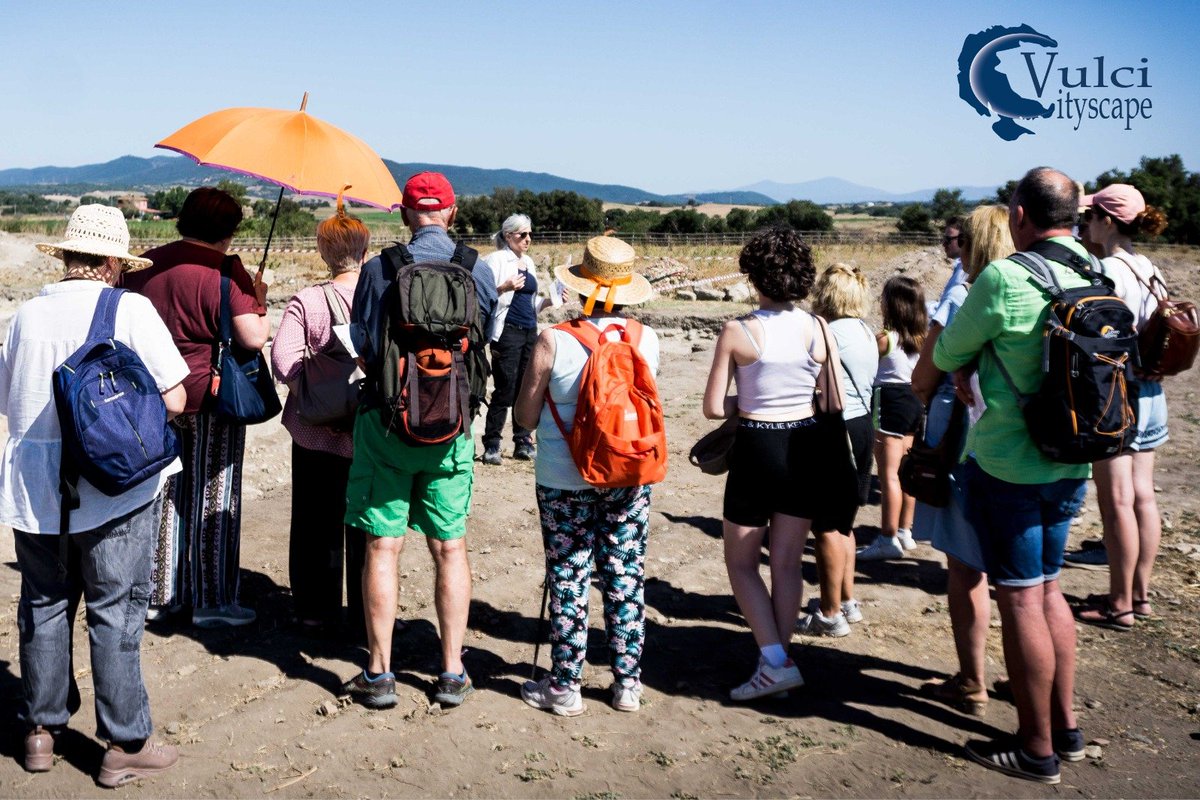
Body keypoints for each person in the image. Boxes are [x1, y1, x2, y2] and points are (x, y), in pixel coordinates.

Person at [1, 205, 186, 785]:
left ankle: (40, 731)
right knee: (115, 611)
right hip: (113, 490)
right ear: (112, 262)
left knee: (45, 605)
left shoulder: (26, 314)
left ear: (69, 257)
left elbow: (8, 400)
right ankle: (125, 741)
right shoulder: (130, 309)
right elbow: (176, 398)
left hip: (34, 488)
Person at [934, 167, 1090, 784]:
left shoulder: (1004, 276)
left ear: (1019, 214)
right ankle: (1067, 727)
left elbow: (947, 354)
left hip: (1008, 464)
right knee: (1050, 590)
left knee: (1021, 598)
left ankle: (1036, 748)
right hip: (1074, 457)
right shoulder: (1094, 270)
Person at [340, 172, 497, 709]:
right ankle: (452, 671)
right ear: (452, 213)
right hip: (452, 427)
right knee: (449, 547)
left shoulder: (381, 269)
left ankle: (379, 673)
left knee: (383, 546)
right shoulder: (478, 270)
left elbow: (363, 346)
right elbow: (483, 345)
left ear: (405, 214)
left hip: (386, 424)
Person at [703, 226, 852, 700]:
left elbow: (712, 406)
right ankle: (778, 663)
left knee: (742, 562)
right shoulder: (819, 327)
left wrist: (746, 399)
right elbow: (832, 398)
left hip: (757, 446)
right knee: (787, 564)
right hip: (806, 445)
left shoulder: (739, 331)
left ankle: (774, 661)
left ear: (754, 276)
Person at [512, 236, 659, 715]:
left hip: (563, 476)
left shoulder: (555, 338)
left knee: (569, 573)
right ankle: (627, 683)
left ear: (581, 286)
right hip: (629, 474)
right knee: (624, 573)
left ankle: (566, 685)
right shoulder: (645, 338)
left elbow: (526, 417)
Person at [126, 187, 270, 627]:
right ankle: (212, 601)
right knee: (213, 494)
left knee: (163, 493)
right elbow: (252, 338)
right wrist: (259, 299)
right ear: (229, 230)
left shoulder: (148, 263)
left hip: (154, 396)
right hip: (210, 396)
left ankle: (159, 594)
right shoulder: (228, 270)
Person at [912, 204, 1014, 716]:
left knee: (968, 569)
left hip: (968, 445)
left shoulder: (963, 296)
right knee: (1028, 581)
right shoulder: (1037, 290)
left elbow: (922, 377)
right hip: (1032, 450)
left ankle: (973, 681)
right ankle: (1030, 683)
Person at [1072, 184, 1170, 630]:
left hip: (1118, 397)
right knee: (1143, 498)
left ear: (1106, 221)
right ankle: (1141, 595)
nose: (1086, 224)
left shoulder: (1107, 269)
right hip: (1152, 396)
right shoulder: (1149, 267)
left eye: (1090, 217)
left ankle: (1119, 604)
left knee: (1116, 501)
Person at [270, 195, 369, 637]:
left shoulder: (307, 300)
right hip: (368, 432)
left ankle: (315, 610)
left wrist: (314, 395)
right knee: (367, 524)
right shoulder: (382, 297)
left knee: (314, 521)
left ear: (323, 252)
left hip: (313, 434)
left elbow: (283, 359)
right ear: (365, 251)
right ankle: (368, 613)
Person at [799, 263, 877, 635]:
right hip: (863, 427)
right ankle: (847, 600)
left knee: (826, 525)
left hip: (836, 428)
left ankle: (829, 614)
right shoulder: (863, 329)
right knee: (845, 521)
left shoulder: (828, 332)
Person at [857, 276, 927, 561]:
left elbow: (864, 365)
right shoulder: (923, 338)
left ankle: (887, 536)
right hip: (914, 402)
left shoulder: (884, 338)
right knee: (907, 471)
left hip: (889, 401)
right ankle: (904, 531)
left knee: (888, 474)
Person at [481, 214, 556, 465]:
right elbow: (482, 294)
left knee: (528, 387)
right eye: (523, 234)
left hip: (529, 330)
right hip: (507, 330)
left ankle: (522, 440)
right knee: (505, 386)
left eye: (530, 234)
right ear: (508, 235)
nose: (528, 239)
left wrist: (549, 301)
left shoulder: (529, 262)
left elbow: (529, 302)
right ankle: (492, 443)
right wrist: (504, 287)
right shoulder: (495, 260)